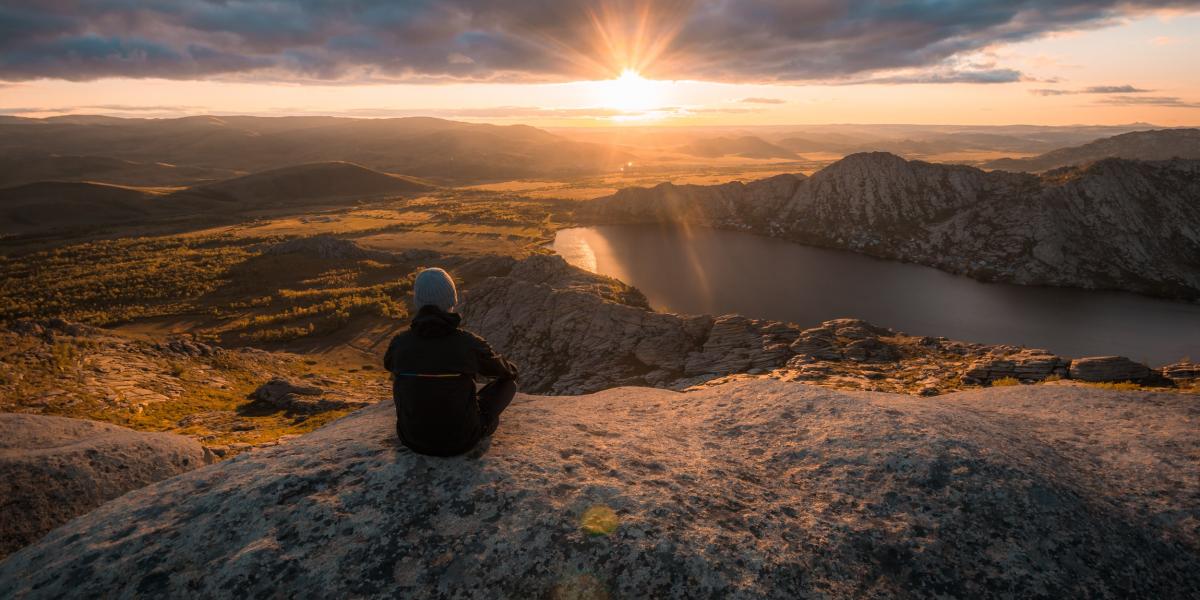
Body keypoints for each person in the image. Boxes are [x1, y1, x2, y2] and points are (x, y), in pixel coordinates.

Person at [383, 267, 519, 456]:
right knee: (509, 385)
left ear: (417, 303)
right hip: (463, 441)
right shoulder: (468, 343)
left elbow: (388, 364)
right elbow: (507, 373)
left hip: (411, 439)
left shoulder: (399, 343)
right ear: (452, 300)